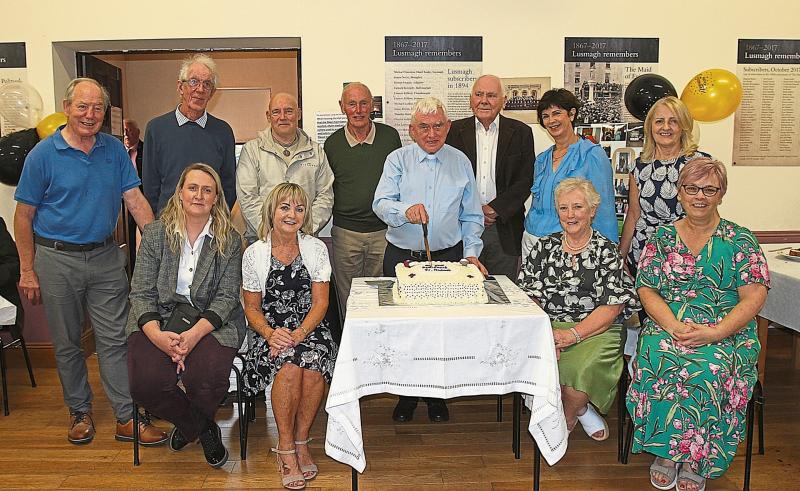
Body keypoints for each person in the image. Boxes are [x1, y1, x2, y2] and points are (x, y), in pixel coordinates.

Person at [13, 78, 167, 446]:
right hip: (55, 259)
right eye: (82, 106)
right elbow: (23, 216)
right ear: (66, 108)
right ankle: (79, 410)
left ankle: (126, 417)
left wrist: (162, 245)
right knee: (67, 343)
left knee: (115, 340)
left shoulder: (113, 151)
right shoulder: (42, 155)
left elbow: (135, 200)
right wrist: (27, 269)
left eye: (97, 108)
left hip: (105, 257)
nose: (90, 114)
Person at [626, 158, 769, 491]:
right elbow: (646, 287)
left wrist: (716, 332)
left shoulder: (740, 240)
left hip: (727, 331)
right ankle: (666, 451)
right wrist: (674, 326)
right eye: (692, 188)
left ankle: (696, 458)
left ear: (721, 193)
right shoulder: (662, 237)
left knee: (710, 366)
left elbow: (754, 297)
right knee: (657, 355)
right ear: (680, 192)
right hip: (669, 324)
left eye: (709, 189)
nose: (700, 196)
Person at [373, 96, 486, 424]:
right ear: (411, 130)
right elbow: (380, 202)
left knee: (441, 332)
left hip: (450, 259)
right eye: (424, 127)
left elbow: (472, 215)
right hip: (402, 259)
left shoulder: (461, 161)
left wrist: (471, 255)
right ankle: (406, 394)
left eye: (438, 126)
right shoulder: (397, 160)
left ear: (448, 127)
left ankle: (437, 395)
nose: (432, 133)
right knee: (405, 331)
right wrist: (403, 211)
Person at [126, 163, 245, 468]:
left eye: (207, 190)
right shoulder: (154, 234)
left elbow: (227, 297)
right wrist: (158, 337)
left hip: (210, 321)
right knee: (146, 383)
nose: (199, 195)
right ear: (180, 193)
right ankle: (201, 427)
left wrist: (192, 337)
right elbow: (140, 292)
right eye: (192, 188)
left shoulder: (229, 240)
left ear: (216, 198)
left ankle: (189, 425)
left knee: (205, 377)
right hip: (158, 318)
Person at [518, 178, 639, 441]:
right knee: (540, 366)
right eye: (563, 208)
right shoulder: (543, 247)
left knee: (581, 371)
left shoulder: (606, 251)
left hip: (597, 330)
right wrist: (547, 333)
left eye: (577, 207)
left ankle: (567, 417)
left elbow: (613, 306)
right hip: (548, 327)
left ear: (593, 210)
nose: (570, 215)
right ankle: (582, 410)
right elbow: (529, 296)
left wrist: (572, 335)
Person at [241, 183, 337, 490]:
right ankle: (285, 448)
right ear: (272, 211)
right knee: (290, 366)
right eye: (285, 207)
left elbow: (321, 302)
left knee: (314, 362)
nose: (292, 214)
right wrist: (271, 334)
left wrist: (300, 333)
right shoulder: (254, 253)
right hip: (268, 330)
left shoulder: (316, 248)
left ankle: (301, 440)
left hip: (308, 325)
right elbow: (251, 308)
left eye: (299, 208)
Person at [446, 75, 535, 280]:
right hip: (461, 227)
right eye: (479, 94)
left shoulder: (521, 132)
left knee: (502, 292)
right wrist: (474, 210)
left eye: (491, 95)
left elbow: (525, 179)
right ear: (471, 99)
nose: (484, 100)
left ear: (503, 100)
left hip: (503, 228)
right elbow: (446, 178)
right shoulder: (453, 132)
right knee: (462, 292)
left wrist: (494, 209)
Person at [324, 82, 402, 314]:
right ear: (342, 107)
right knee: (349, 298)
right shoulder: (332, 144)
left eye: (363, 103)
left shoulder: (390, 138)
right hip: (346, 234)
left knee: (384, 295)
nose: (358, 110)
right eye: (351, 104)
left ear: (372, 106)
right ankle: (353, 347)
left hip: (384, 233)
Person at [522, 88, 617, 265]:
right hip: (531, 240)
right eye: (546, 116)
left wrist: (609, 255)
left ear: (571, 114)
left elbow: (604, 210)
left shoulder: (592, 155)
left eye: (557, 113)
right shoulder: (542, 159)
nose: (551, 120)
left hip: (571, 244)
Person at [620, 96, 710, 280]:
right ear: (650, 127)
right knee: (647, 308)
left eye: (673, 121)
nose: (665, 127)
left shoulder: (700, 164)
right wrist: (620, 257)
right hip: (643, 254)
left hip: (687, 254)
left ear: (683, 126)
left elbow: (708, 212)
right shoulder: (639, 166)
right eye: (659, 121)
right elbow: (633, 215)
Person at [143, 53, 236, 214]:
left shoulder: (223, 132)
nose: (200, 89)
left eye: (207, 84)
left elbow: (228, 186)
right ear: (180, 87)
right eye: (194, 82)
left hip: (210, 226)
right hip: (169, 225)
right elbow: (150, 187)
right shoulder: (156, 129)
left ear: (212, 93)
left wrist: (217, 220)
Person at [237, 92, 334, 242]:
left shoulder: (316, 152)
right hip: (262, 239)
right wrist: (271, 232)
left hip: (305, 240)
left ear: (299, 114)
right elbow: (248, 197)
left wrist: (303, 230)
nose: (282, 117)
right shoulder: (252, 151)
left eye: (289, 111)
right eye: (276, 112)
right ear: (268, 116)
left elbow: (325, 196)